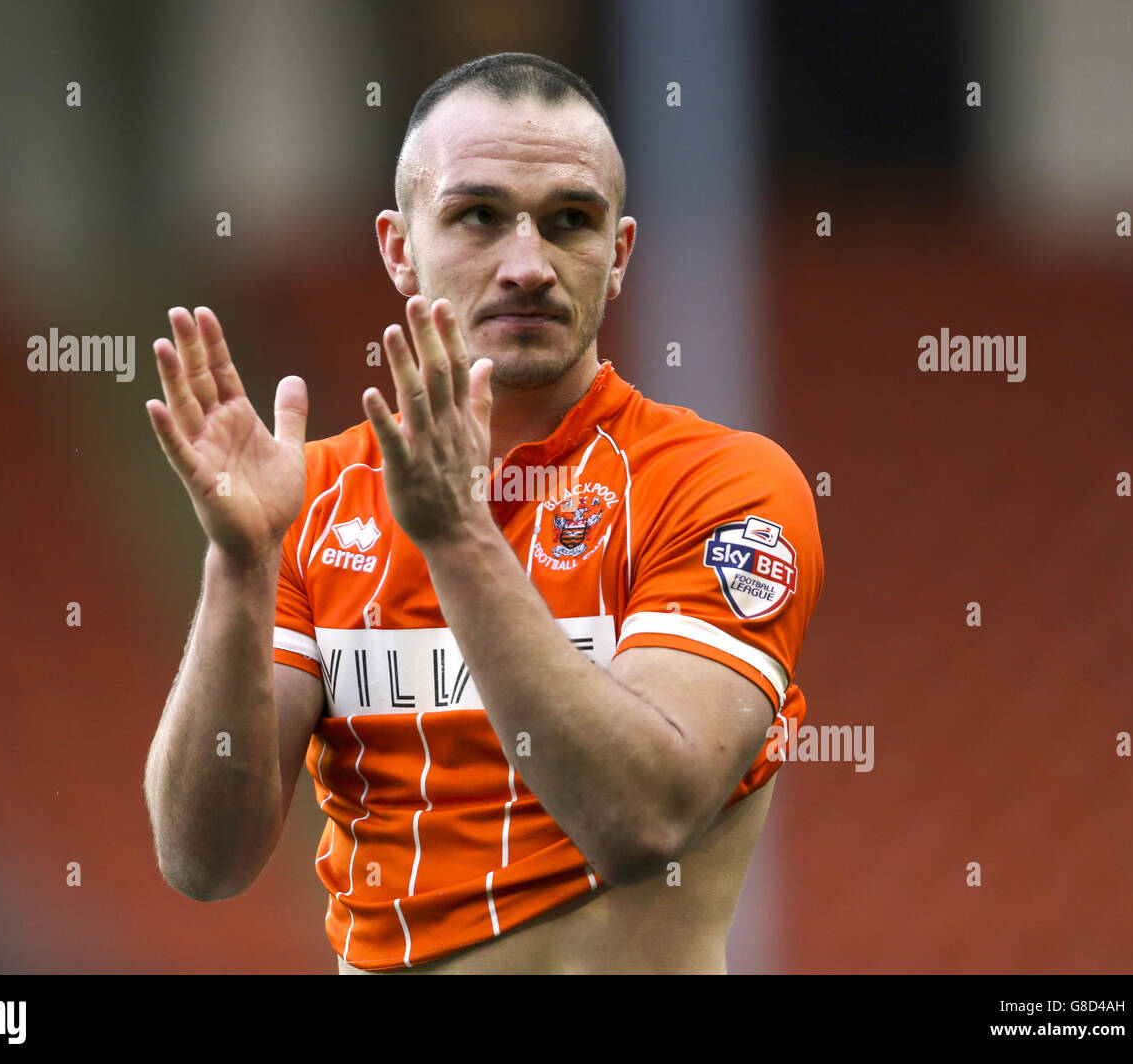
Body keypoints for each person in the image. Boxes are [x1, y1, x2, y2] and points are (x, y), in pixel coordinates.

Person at [143, 52, 823, 975]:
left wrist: (455, 533)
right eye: (478, 216)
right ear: (397, 246)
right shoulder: (313, 500)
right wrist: (241, 562)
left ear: (617, 256)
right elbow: (203, 862)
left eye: (570, 222)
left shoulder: (721, 486)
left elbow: (641, 820)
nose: (529, 266)